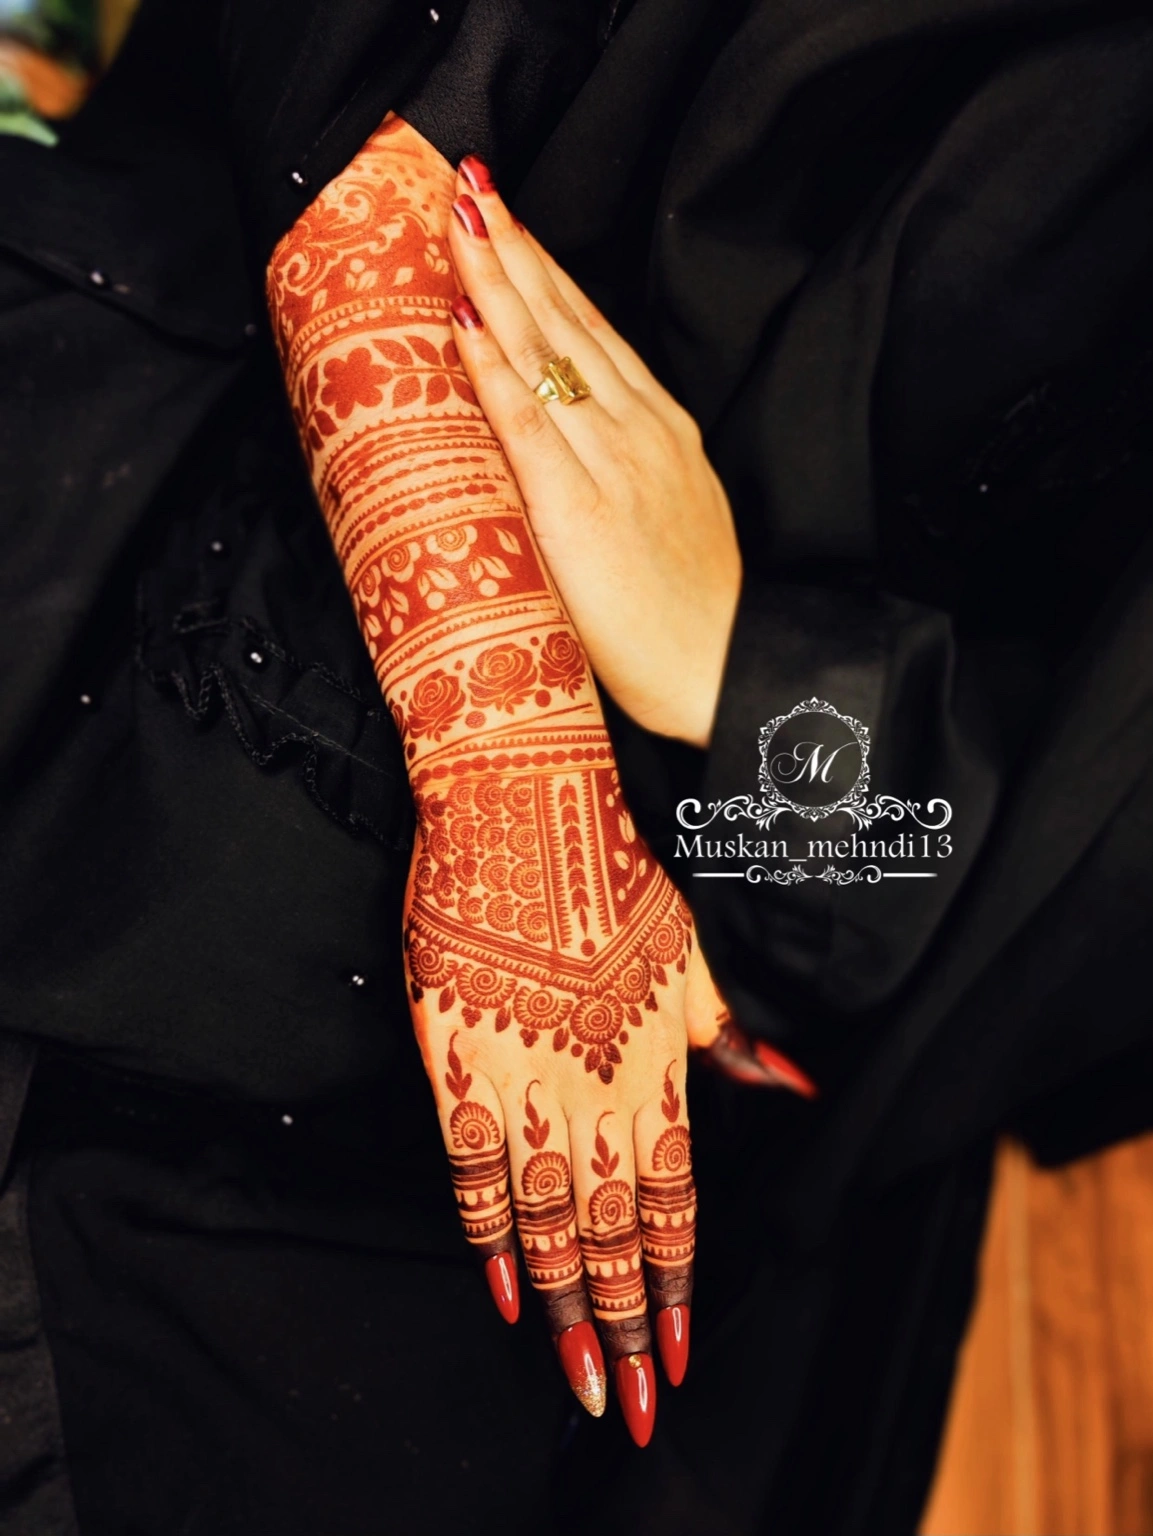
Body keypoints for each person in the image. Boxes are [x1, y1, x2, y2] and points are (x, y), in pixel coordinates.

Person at [1, 0, 1149, 1531]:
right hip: (192, 543)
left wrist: (737, 667)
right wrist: (509, 739)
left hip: (757, 1006)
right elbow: (368, 138)